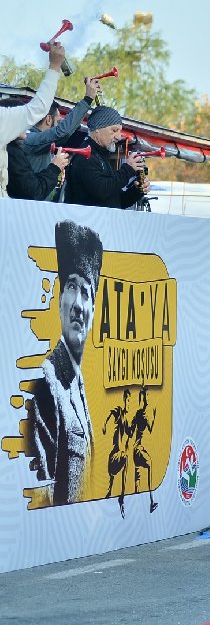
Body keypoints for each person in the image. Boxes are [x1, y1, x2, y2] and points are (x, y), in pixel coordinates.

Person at [29, 220, 102, 506]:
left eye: (87, 293)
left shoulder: (77, 381)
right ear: (60, 299)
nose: (78, 304)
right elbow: (42, 490)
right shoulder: (48, 381)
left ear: (93, 310)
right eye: (72, 287)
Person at [0, 43, 65, 197]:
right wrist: (55, 66)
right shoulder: (13, 144)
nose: (27, 126)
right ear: (49, 120)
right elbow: (39, 108)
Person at [62, 107, 149, 210]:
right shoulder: (85, 155)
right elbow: (101, 191)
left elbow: (116, 201)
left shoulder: (101, 155)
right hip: (86, 224)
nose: (119, 137)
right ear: (97, 129)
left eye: (120, 131)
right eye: (114, 130)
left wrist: (137, 190)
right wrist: (128, 169)